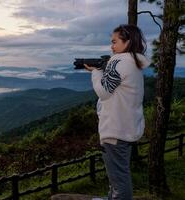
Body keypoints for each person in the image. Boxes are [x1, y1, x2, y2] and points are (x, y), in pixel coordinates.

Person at [85, 24, 150, 200]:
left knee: (119, 178)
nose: (111, 46)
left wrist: (96, 72)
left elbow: (104, 92)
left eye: (114, 42)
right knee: (118, 173)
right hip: (127, 127)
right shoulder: (133, 62)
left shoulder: (119, 61)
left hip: (115, 128)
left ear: (127, 42)